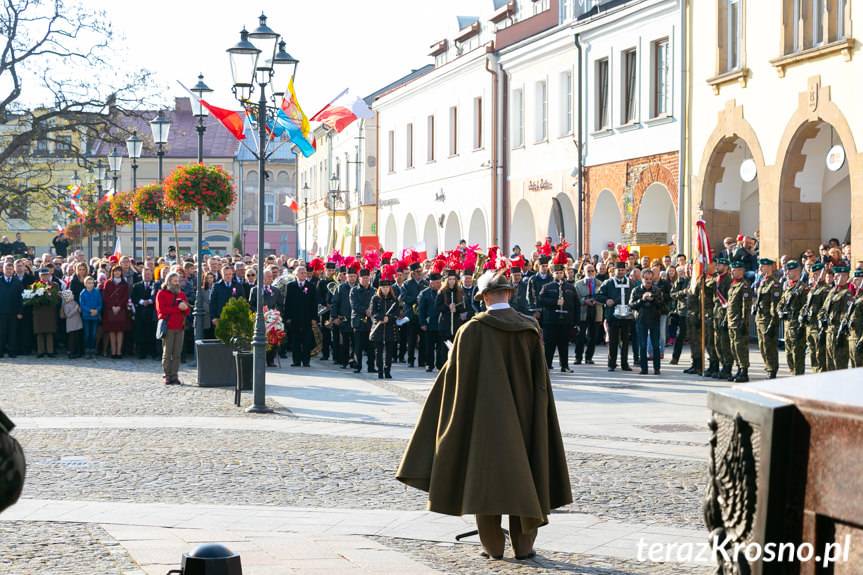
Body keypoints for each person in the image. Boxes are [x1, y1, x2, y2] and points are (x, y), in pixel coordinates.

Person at [397, 268, 572, 561]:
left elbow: (455, 381)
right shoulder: (529, 328)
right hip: (525, 417)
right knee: (526, 475)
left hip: (483, 420)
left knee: (484, 481)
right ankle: (524, 547)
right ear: (509, 294)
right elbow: (540, 380)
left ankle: (492, 548)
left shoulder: (470, 331)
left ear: (484, 297)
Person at [538, 250, 577, 372]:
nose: (559, 275)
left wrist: (575, 321)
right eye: (556, 273)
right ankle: (547, 365)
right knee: (549, 344)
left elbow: (576, 304)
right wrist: (555, 302)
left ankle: (564, 366)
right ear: (552, 273)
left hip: (565, 321)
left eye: (561, 272)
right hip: (551, 320)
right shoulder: (547, 287)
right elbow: (541, 300)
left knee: (564, 344)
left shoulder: (570, 287)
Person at [598, 262, 635, 372]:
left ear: (626, 271)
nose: (621, 272)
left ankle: (625, 364)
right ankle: (611, 363)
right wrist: (606, 300)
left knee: (625, 341)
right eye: (619, 270)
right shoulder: (608, 283)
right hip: (612, 316)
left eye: (623, 270)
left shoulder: (630, 283)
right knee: (613, 341)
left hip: (627, 316)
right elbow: (599, 295)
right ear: (614, 271)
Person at [156, 271, 190, 385]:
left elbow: (187, 310)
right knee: (167, 352)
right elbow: (162, 311)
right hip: (168, 327)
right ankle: (167, 375)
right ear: (168, 281)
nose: (177, 283)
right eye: (175, 281)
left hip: (180, 327)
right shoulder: (161, 293)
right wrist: (178, 309)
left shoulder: (181, 294)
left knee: (177, 353)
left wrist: (185, 308)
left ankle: (174, 375)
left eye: (178, 281)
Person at [629, 268, 664, 375]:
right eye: (646, 279)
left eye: (650, 279)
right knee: (643, 345)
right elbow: (631, 305)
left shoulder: (657, 290)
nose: (648, 281)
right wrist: (642, 299)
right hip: (641, 320)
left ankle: (657, 368)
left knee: (655, 345)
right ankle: (644, 368)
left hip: (654, 320)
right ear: (642, 279)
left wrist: (653, 299)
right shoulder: (636, 290)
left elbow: (662, 305)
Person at [819, 264, 852, 371]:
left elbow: (846, 314)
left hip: (839, 334)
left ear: (846, 277)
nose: (836, 278)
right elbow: (823, 308)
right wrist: (821, 318)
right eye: (836, 275)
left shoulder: (847, 294)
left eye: (839, 275)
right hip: (829, 332)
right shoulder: (832, 291)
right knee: (830, 365)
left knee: (839, 366)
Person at [284, 265, 318, 368]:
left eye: (305, 272)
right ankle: (296, 361)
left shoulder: (311, 286)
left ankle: (306, 361)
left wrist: (314, 318)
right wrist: (287, 317)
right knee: (295, 341)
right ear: (296, 274)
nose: (304, 274)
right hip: (295, 318)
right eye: (301, 272)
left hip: (307, 318)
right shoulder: (290, 286)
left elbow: (314, 303)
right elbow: (287, 303)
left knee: (307, 341)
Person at [370, 265, 400, 379]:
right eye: (383, 287)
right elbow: (373, 312)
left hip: (390, 328)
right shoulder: (375, 298)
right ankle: (380, 371)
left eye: (387, 287)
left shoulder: (394, 300)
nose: (385, 289)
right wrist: (381, 317)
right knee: (378, 352)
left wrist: (389, 318)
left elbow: (397, 313)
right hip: (378, 327)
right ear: (380, 288)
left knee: (389, 352)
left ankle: (387, 370)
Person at [778, 260, 807, 376]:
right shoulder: (788, 287)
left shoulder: (802, 288)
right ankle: (792, 373)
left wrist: (801, 325)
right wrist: (780, 311)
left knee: (797, 353)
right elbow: (781, 303)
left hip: (797, 326)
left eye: (789, 270)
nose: (787, 273)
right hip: (787, 325)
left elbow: (805, 306)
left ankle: (798, 376)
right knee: (788, 352)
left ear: (797, 271)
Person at [753, 258, 781, 379]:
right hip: (760, 318)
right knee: (762, 345)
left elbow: (775, 305)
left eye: (762, 266)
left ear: (769, 267)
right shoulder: (762, 281)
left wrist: (773, 322)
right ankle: (768, 366)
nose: (760, 268)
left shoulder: (774, 284)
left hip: (768, 319)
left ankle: (772, 369)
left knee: (769, 346)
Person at [726, 261, 752, 382]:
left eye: (735, 270)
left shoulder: (744, 286)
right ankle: (738, 369)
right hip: (732, 321)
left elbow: (745, 306)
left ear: (741, 271)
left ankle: (744, 371)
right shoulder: (733, 285)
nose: (732, 272)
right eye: (732, 269)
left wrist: (743, 322)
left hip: (739, 322)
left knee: (741, 347)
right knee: (734, 347)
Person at [101, 265, 131, 359]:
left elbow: (125, 296)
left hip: (121, 309)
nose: (117, 273)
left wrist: (119, 306)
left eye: (119, 271)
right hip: (110, 310)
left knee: (120, 331)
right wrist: (112, 306)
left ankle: (119, 352)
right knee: (112, 331)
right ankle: (113, 352)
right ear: (112, 272)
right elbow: (106, 296)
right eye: (115, 271)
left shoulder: (124, 283)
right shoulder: (108, 283)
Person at [573, 263, 600, 365]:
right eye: (588, 271)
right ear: (584, 272)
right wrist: (584, 301)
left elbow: (603, 297)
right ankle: (578, 357)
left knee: (592, 336)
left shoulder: (600, 283)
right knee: (580, 336)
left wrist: (597, 300)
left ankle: (589, 357)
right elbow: (575, 299)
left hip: (595, 311)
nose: (590, 273)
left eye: (592, 271)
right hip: (583, 312)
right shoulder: (578, 284)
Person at [418, 267, 444, 372]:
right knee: (429, 346)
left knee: (440, 346)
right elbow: (421, 310)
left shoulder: (443, 292)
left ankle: (439, 364)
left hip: (441, 323)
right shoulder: (425, 293)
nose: (438, 285)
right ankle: (429, 364)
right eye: (435, 283)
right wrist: (422, 323)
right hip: (429, 324)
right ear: (431, 283)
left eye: (439, 282)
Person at [131, 269, 160, 360]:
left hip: (151, 312)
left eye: (149, 274)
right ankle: (141, 352)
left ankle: (152, 352)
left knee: (151, 333)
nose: (147, 276)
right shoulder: (136, 285)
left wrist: (150, 301)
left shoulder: (156, 285)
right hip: (140, 312)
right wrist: (142, 301)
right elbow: (133, 297)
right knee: (140, 333)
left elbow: (157, 296)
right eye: (145, 274)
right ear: (142, 275)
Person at [32, 267, 59, 358]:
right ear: (40, 276)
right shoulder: (35, 285)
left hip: (50, 311)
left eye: (46, 275)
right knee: (40, 332)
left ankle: (50, 351)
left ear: (49, 275)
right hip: (39, 311)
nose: (44, 277)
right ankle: (40, 351)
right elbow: (32, 298)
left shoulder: (54, 285)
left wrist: (50, 297)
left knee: (49, 332)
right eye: (42, 275)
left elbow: (57, 298)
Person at [0, 261, 23, 357]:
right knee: (1, 332)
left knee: (12, 332)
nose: (9, 271)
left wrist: (20, 312)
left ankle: (12, 352)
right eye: (7, 269)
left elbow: (21, 298)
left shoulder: (17, 282)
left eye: (10, 269)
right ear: (3, 270)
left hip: (14, 312)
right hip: (1, 312)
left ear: (13, 270)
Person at [436, 270, 466, 343]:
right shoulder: (442, 291)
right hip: (445, 323)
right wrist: (448, 307)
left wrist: (456, 308)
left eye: (453, 279)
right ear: (447, 280)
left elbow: (464, 306)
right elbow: (437, 307)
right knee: (444, 345)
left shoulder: (460, 291)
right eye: (450, 279)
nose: (452, 281)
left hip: (456, 322)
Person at [79, 276, 102, 359]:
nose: (91, 284)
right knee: (87, 334)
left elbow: (100, 303)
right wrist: (90, 310)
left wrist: (96, 310)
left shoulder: (97, 292)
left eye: (92, 283)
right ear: (85, 284)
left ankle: (93, 350)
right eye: (89, 283)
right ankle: (87, 350)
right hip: (86, 316)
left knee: (94, 334)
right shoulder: (83, 293)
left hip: (95, 316)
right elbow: (82, 305)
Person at [60, 289, 83, 358]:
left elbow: (79, 310)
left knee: (77, 338)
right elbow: (68, 315)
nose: (73, 295)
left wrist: (79, 309)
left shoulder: (75, 302)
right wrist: (75, 309)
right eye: (71, 295)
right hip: (71, 325)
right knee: (71, 339)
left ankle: (78, 352)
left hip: (77, 323)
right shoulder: (66, 305)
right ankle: (71, 352)